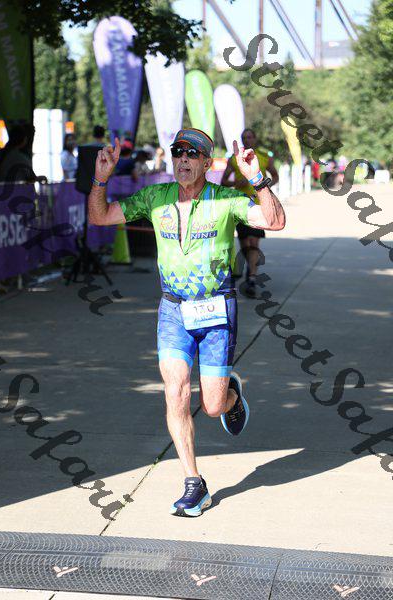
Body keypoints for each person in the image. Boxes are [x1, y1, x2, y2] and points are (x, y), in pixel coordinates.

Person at [88, 127, 285, 517]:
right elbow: (100, 216)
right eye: (178, 152)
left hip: (216, 310)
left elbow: (274, 221)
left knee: (211, 406)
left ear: (207, 163)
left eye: (192, 154)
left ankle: (229, 396)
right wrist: (100, 179)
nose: (183, 159)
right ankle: (194, 482)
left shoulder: (225, 199)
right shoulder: (155, 197)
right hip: (173, 310)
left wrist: (257, 179)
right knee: (175, 392)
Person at [221, 128, 279, 298]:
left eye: (250, 137)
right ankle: (249, 269)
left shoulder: (263, 157)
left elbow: (275, 176)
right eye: (244, 138)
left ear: (255, 139)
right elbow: (223, 181)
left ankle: (252, 277)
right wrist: (234, 183)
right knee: (245, 244)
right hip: (240, 206)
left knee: (254, 242)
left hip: (259, 206)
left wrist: (264, 187)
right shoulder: (234, 159)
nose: (247, 140)